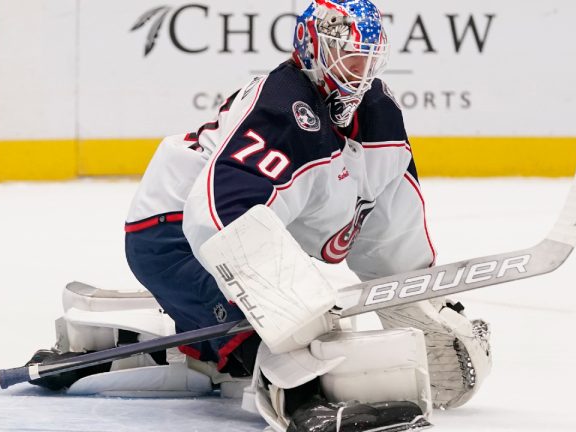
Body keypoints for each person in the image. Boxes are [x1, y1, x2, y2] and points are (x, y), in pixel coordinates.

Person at [26, 1, 491, 430]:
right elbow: (219, 218)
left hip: (224, 231)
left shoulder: (378, 112)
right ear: (311, 48)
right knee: (293, 329)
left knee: (284, 328)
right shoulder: (281, 110)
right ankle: (307, 398)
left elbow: (389, 220)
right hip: (171, 235)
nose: (361, 69)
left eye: (369, 56)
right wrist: (285, 309)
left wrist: (413, 299)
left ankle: (155, 349)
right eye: (348, 55)